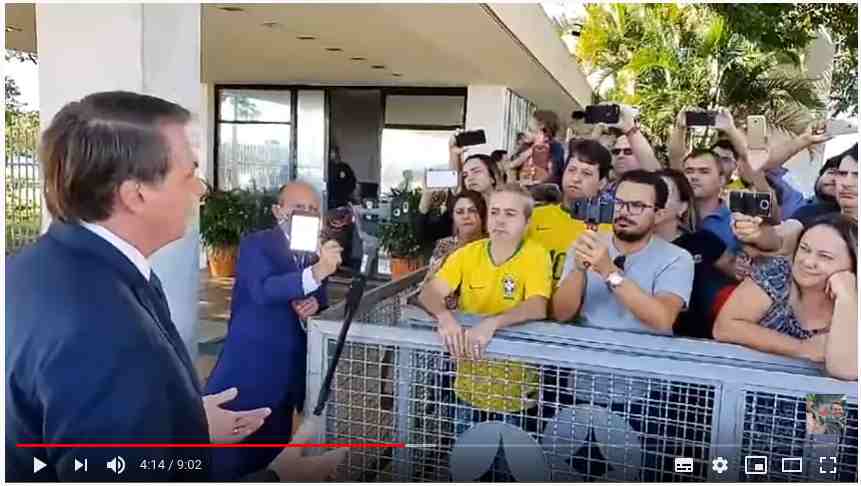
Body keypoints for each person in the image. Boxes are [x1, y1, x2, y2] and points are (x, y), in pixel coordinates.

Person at [5, 91, 344, 481]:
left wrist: (186, 423)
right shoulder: (102, 326)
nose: (201, 190)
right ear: (136, 195)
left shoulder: (44, 267)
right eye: (190, 175)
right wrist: (280, 478)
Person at [204, 181, 344, 479]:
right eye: (298, 208)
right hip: (249, 373)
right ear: (277, 211)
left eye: (313, 209)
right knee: (232, 458)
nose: (307, 214)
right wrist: (319, 272)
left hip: (288, 378)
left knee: (275, 457)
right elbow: (265, 290)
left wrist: (314, 304)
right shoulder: (257, 244)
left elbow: (317, 295)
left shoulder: (312, 251)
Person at [418, 184, 552, 480]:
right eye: (494, 212)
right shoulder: (468, 254)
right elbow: (429, 293)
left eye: (510, 213)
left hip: (516, 398)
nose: (500, 220)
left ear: (527, 222)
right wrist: (444, 316)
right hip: (468, 391)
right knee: (467, 472)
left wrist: (492, 323)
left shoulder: (536, 255)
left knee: (510, 474)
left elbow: (537, 306)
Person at [714, 214, 857, 380]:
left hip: (820, 398)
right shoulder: (778, 272)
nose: (808, 261)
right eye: (804, 249)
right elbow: (724, 327)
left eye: (825, 257)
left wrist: (847, 298)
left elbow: (845, 370)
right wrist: (801, 348)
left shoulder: (854, 299)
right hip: (757, 387)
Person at [552, 170, 694, 335]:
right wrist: (578, 270)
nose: (624, 212)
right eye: (618, 203)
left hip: (644, 354)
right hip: (587, 347)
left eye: (637, 206)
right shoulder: (589, 244)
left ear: (658, 215)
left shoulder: (677, 258)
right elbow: (561, 315)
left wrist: (609, 272)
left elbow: (663, 320)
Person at [733, 144, 858, 257]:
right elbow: (781, 238)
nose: (846, 183)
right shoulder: (812, 213)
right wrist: (758, 234)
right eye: (842, 174)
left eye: (857, 175)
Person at [655, 169, 736, 339]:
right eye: (653, 191)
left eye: (664, 192)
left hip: (694, 342)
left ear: (682, 207)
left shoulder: (702, 241)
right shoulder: (631, 244)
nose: (656, 198)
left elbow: (739, 272)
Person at [525, 138, 613, 285]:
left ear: (602, 183)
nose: (576, 178)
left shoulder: (610, 229)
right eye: (571, 170)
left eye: (586, 173)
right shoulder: (534, 217)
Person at [413, 190, 488, 310]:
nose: (466, 216)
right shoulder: (444, 245)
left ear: (482, 214)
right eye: (459, 212)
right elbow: (429, 287)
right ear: (453, 217)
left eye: (472, 210)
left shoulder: (492, 246)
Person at [414, 153, 499, 246]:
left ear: (492, 177)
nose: (470, 178)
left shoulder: (509, 206)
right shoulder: (461, 208)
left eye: (476, 171)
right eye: (465, 175)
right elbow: (423, 235)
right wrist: (426, 197)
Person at [509, 110, 565, 185]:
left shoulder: (555, 148)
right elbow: (512, 165)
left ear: (544, 134)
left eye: (530, 130)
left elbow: (553, 176)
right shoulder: (525, 147)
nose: (525, 132)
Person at [327, 144, 358, 209]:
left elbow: (352, 181)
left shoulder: (345, 167)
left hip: (342, 200)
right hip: (329, 200)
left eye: (334, 152)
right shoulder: (327, 167)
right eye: (331, 152)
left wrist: (346, 193)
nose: (332, 154)